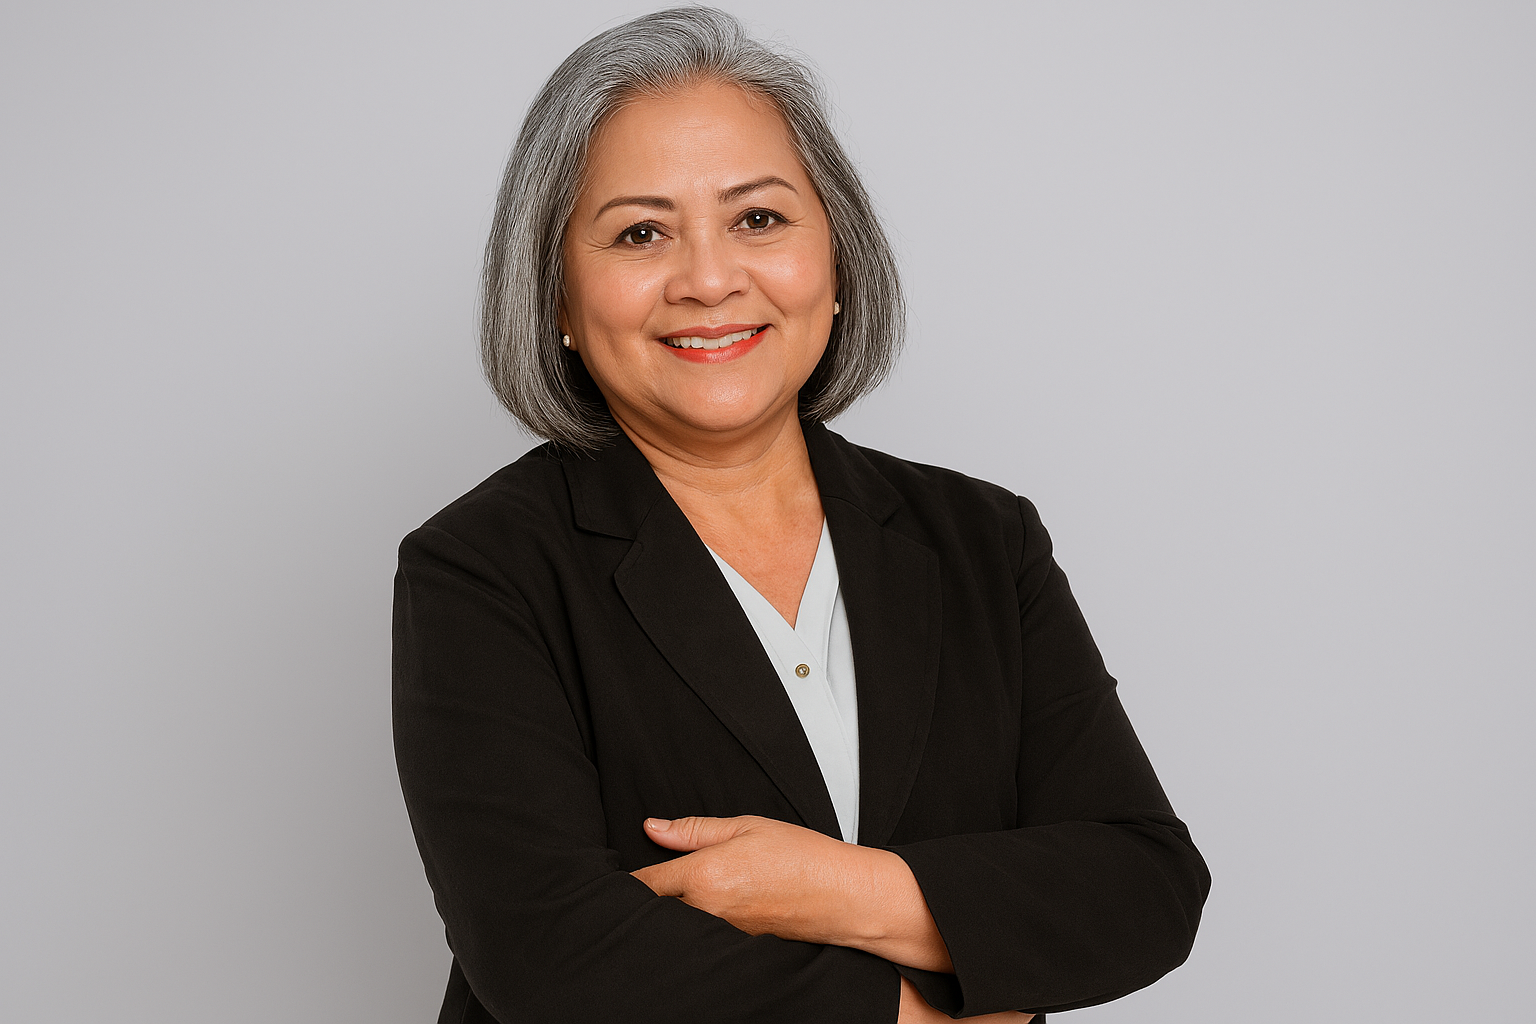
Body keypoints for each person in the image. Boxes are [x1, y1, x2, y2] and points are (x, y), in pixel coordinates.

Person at [392, 8, 1210, 1023]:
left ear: (836, 261)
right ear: (557, 294)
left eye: (759, 219)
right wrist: (921, 1010)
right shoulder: (481, 569)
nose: (708, 279)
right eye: (641, 232)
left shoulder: (984, 540)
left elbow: (1144, 885)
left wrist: (829, 888)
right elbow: (548, 956)